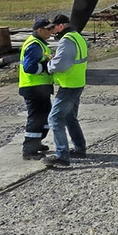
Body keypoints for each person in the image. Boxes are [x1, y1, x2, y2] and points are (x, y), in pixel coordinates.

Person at [42, 14, 89, 168]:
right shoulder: (77, 36)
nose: (52, 31)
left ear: (61, 26)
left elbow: (61, 65)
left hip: (69, 85)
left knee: (54, 119)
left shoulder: (67, 40)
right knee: (70, 117)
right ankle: (80, 148)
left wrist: (49, 66)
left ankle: (62, 156)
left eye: (53, 27)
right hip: (77, 82)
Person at [19, 17, 54, 160]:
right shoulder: (34, 45)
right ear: (40, 30)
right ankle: (29, 150)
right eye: (48, 29)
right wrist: (47, 67)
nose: (51, 31)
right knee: (36, 118)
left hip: (40, 88)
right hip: (33, 88)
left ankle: (37, 142)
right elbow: (30, 68)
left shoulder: (40, 43)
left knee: (44, 115)